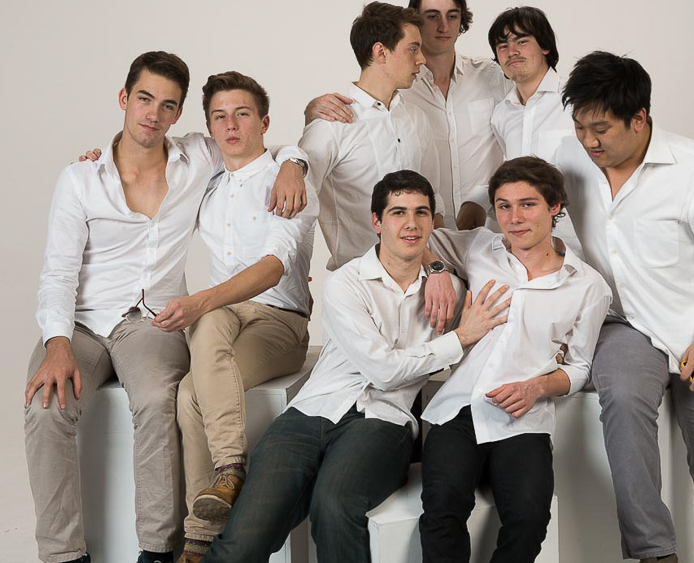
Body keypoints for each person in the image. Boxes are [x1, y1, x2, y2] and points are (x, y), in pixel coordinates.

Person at [24, 52, 307, 563]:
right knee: (47, 406)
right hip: (82, 323)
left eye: (168, 105)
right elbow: (58, 272)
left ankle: (158, 549)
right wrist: (57, 343)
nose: (153, 114)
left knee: (159, 400)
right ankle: (63, 554)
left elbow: (259, 144)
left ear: (178, 115)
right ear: (124, 99)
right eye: (144, 99)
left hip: (151, 322)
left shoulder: (197, 158)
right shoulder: (80, 178)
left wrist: (294, 163)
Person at [201, 170, 510, 563]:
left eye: (421, 213)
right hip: (310, 413)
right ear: (376, 222)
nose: (411, 223)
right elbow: (383, 370)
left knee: (335, 506)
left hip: (384, 421)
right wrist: (460, 337)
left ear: (432, 222)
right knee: (243, 539)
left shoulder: (452, 294)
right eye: (398, 212)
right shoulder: (346, 283)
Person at [558, 51, 694, 563]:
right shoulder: (569, 161)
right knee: (624, 404)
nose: (589, 141)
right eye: (581, 127)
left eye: (601, 129)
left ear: (640, 118)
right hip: (623, 325)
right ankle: (654, 552)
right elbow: (515, 191)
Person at [419, 156, 612, 563]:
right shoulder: (478, 246)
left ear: (555, 206)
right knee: (442, 506)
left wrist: (536, 387)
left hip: (523, 418)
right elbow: (418, 238)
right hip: (458, 410)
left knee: (529, 517)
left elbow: (579, 367)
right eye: (504, 206)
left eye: (528, 204)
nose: (514, 218)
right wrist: (436, 270)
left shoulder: (587, 285)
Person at [167, 72, 319, 563]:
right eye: (219, 117)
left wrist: (293, 160)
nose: (230, 125)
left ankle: (210, 514)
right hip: (225, 319)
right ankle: (211, 515)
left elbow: (274, 267)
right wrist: (97, 159)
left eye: (242, 114)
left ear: (264, 122)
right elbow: (147, 157)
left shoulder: (287, 180)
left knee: (197, 366)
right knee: (190, 387)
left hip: (280, 322)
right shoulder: (208, 184)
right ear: (210, 127)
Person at [305, 0, 510, 230]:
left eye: (452, 16)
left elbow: (526, 128)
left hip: (486, 235)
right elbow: (301, 196)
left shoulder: (492, 77)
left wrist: (479, 201)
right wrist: (310, 120)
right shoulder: (389, 95)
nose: (444, 26)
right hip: (390, 247)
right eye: (432, 16)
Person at [299, 1, 444, 272]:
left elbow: (434, 202)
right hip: (357, 280)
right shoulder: (331, 124)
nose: (422, 59)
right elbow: (298, 207)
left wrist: (438, 268)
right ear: (380, 52)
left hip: (421, 278)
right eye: (413, 48)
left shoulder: (417, 119)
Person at [486, 6, 583, 256]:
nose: (512, 52)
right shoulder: (502, 114)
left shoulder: (578, 100)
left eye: (522, 41)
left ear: (545, 46)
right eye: (503, 46)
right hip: (527, 251)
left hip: (580, 246)